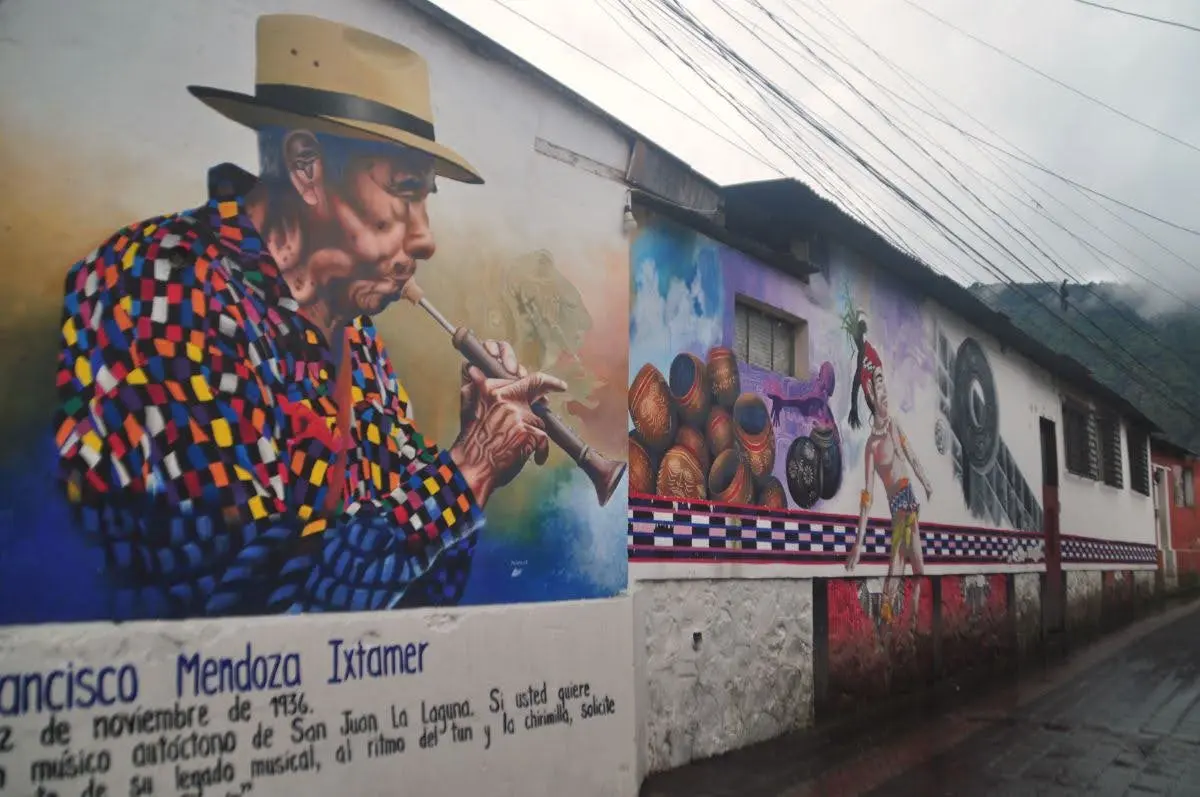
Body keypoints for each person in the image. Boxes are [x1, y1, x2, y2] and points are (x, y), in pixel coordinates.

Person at [52, 14, 562, 619]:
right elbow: (247, 600)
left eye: (426, 197)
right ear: (306, 168)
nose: (425, 239)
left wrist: (472, 457)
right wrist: (466, 468)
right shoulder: (162, 284)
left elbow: (411, 592)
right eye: (404, 190)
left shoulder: (354, 338)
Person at [842, 308, 932, 627]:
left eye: (885, 385)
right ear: (871, 394)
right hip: (900, 506)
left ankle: (912, 624)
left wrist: (926, 481)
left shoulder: (894, 427)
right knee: (898, 561)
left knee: (917, 567)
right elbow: (866, 499)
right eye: (878, 386)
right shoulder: (871, 447)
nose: (885, 391)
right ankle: (891, 624)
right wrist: (857, 544)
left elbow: (911, 453)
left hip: (910, 500)